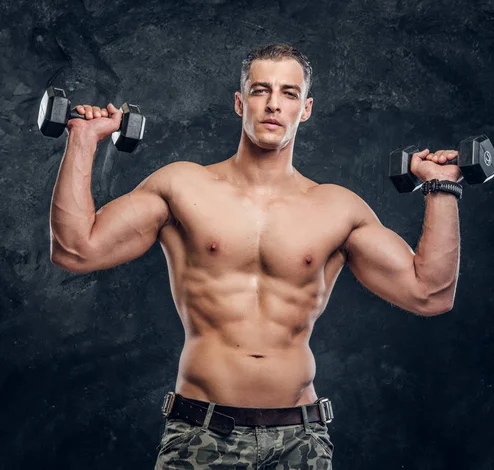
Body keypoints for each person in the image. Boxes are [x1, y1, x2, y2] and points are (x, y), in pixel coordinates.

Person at [49, 43, 462, 469]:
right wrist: (82, 140)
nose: (273, 104)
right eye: (261, 90)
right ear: (239, 101)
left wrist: (442, 188)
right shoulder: (183, 187)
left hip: (300, 438)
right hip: (201, 434)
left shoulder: (338, 208)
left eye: (289, 93)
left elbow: (430, 294)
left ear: (305, 109)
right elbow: (76, 250)